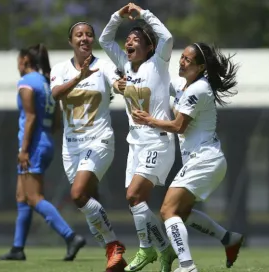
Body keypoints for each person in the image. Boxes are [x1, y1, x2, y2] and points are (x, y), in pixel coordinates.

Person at [132, 43, 244, 272]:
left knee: (167, 211)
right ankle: (228, 239)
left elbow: (178, 126)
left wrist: (148, 120)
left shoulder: (198, 89)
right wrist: (129, 81)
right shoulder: (186, 85)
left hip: (204, 159)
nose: (181, 62)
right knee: (181, 213)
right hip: (205, 160)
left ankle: (187, 266)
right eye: (181, 57)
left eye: (188, 60)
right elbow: (161, 84)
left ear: (201, 67)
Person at [99, 3, 177, 272]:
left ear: (149, 48)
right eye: (128, 40)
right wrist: (118, 16)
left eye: (136, 40)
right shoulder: (124, 65)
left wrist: (142, 13)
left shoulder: (158, 63)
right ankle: (160, 250)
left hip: (158, 140)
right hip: (135, 143)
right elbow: (104, 39)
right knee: (135, 201)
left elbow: (167, 37)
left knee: (134, 194)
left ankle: (150, 249)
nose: (129, 43)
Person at [0, 44, 86, 262]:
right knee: (23, 197)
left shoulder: (27, 82)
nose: (18, 65)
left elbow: (30, 118)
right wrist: (45, 136)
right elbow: (57, 120)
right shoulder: (47, 83)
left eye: (19, 60)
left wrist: (24, 149)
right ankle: (17, 248)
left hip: (33, 145)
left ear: (26, 60)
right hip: (45, 141)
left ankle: (71, 236)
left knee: (34, 197)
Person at [50, 21, 126, 271]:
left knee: (78, 195)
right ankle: (114, 253)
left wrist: (121, 86)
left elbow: (116, 83)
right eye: (79, 35)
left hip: (99, 140)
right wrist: (79, 78)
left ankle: (114, 247)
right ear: (70, 41)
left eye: (89, 35)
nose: (84, 38)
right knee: (89, 201)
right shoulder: (60, 68)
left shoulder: (103, 65)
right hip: (71, 147)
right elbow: (56, 94)